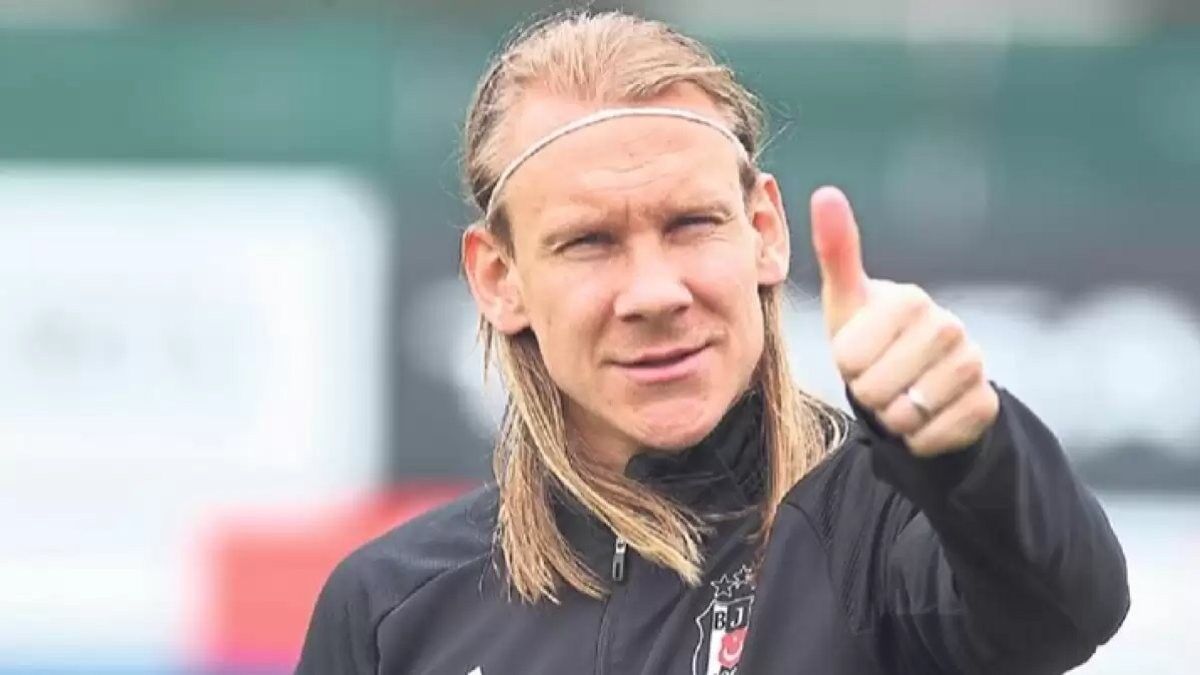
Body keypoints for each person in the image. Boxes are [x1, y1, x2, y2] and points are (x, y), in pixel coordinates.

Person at [297, 10, 1128, 674]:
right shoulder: (391, 609)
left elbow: (1062, 608)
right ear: (498, 277)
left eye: (691, 224)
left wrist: (970, 448)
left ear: (763, 231)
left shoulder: (880, 530)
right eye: (589, 241)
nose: (656, 292)